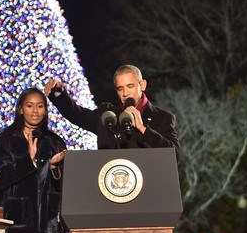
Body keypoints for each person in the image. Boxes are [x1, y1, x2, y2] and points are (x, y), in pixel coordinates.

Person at [44, 64, 181, 162]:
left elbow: (175, 156)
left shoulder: (163, 118)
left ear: (142, 85)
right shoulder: (108, 115)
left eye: (130, 86)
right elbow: (77, 115)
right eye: (120, 88)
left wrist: (143, 129)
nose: (125, 93)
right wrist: (58, 95)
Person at [0, 87, 67, 233]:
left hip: (48, 224)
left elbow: (66, 186)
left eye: (40, 106)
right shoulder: (6, 139)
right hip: (17, 224)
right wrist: (28, 161)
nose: (35, 111)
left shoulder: (54, 141)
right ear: (20, 109)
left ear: (46, 111)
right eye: (29, 105)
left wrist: (54, 168)